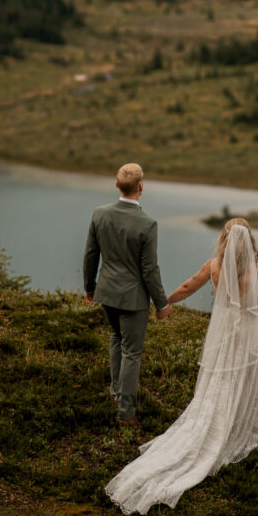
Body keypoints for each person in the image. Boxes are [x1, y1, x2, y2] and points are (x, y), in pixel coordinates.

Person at [104, 217, 258, 514]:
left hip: (222, 338)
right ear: (249, 241)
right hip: (246, 336)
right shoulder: (257, 268)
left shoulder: (213, 266)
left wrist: (165, 303)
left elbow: (187, 286)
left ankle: (216, 425)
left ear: (224, 240)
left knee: (218, 383)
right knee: (248, 380)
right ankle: (242, 429)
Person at [83, 162, 173, 425]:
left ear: (117, 185)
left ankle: (116, 392)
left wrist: (90, 287)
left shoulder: (100, 214)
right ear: (141, 187)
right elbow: (150, 270)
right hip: (133, 299)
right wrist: (162, 303)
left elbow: (91, 254)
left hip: (107, 293)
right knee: (132, 352)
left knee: (115, 338)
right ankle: (126, 413)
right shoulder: (147, 224)